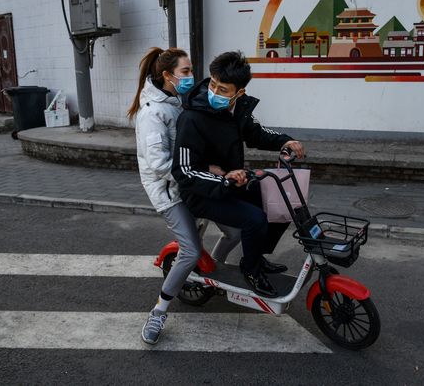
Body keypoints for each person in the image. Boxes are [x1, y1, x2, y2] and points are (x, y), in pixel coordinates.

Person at [172, 51, 305, 298]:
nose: (214, 92)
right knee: (254, 219)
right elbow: (184, 171)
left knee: (279, 202)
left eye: (223, 90)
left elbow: (256, 133)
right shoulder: (192, 118)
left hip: (230, 183)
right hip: (201, 193)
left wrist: (286, 142)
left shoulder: (238, 109)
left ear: (238, 93)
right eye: (213, 84)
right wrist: (224, 179)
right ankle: (251, 270)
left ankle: (255, 257)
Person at [127, 47, 198, 345]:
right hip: (169, 192)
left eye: (191, 70)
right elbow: (158, 164)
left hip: (188, 183)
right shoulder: (152, 113)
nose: (190, 76)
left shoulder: (176, 101)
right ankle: (159, 311)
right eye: (185, 72)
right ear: (167, 75)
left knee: (233, 227)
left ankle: (210, 279)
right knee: (191, 251)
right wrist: (197, 175)